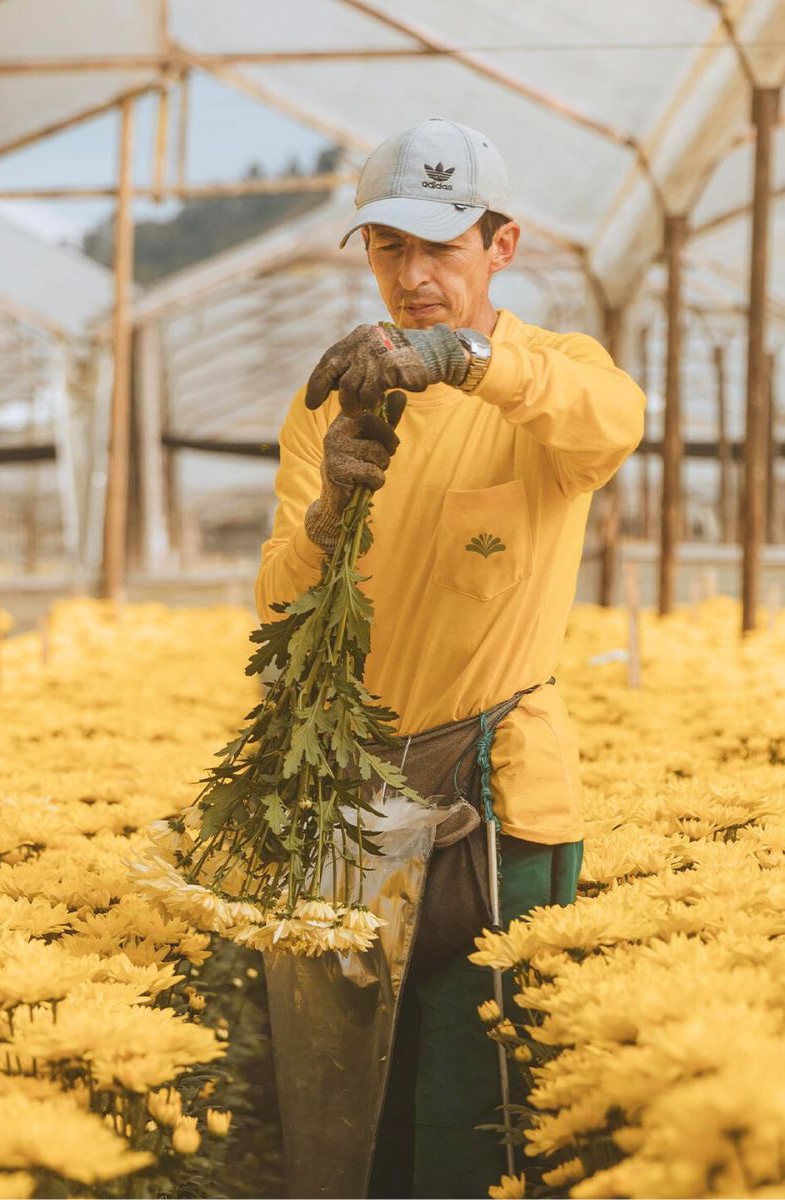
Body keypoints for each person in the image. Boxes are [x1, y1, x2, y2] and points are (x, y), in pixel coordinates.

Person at [255, 117, 645, 1200]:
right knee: (349, 1110)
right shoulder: (330, 393)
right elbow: (278, 605)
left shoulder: (555, 377)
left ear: (500, 247)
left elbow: (614, 423)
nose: (414, 276)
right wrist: (333, 505)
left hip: (494, 801)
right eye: (390, 248)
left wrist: (467, 361)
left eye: (442, 247)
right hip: (349, 797)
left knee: (477, 1117)